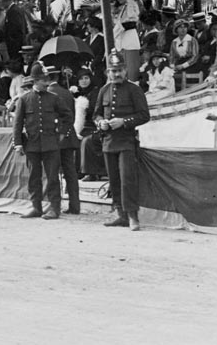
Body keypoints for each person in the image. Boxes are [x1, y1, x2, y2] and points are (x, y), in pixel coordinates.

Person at [93, 51, 151, 231]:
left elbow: (144, 115)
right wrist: (100, 122)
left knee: (128, 180)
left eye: (119, 70)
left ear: (125, 70)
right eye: (112, 71)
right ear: (107, 72)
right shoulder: (104, 90)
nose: (116, 74)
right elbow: (96, 114)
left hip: (126, 142)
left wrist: (124, 122)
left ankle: (133, 216)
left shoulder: (134, 90)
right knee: (114, 180)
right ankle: (121, 215)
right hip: (108, 142)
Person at [12, 63, 72, 220]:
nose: (46, 82)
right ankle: (36, 207)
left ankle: (54, 208)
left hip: (51, 143)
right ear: (35, 81)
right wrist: (17, 143)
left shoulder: (54, 98)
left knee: (53, 177)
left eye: (47, 79)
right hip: (31, 144)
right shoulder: (24, 99)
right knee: (34, 178)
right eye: (43, 80)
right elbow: (17, 123)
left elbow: (68, 116)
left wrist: (62, 133)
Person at [46, 65, 81, 214]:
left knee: (53, 171)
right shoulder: (67, 93)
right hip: (69, 134)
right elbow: (71, 115)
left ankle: (55, 205)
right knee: (70, 172)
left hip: (55, 135)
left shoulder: (48, 94)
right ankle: (75, 205)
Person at [71, 68, 106, 182]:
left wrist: (83, 105)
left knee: (85, 140)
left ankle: (91, 172)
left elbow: (95, 112)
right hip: (81, 125)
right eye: (81, 79)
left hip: (93, 125)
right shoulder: (78, 93)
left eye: (86, 78)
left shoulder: (96, 92)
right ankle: (77, 171)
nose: (84, 81)